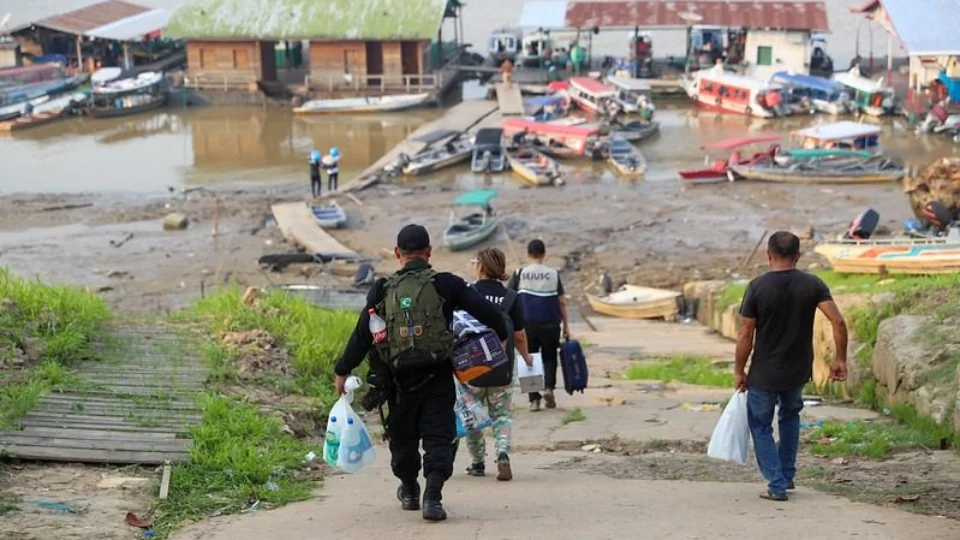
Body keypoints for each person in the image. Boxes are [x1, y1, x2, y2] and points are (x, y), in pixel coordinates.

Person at [334, 224, 508, 522]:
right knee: (438, 436)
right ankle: (433, 497)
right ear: (429, 252)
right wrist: (500, 338)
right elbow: (491, 315)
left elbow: (362, 333)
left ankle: (410, 489)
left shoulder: (382, 289)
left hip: (398, 379)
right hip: (437, 374)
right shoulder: (448, 284)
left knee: (403, 439)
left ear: (397, 253)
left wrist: (342, 370)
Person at [735, 231, 848, 502]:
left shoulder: (757, 286)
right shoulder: (812, 284)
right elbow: (838, 321)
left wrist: (739, 370)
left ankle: (777, 483)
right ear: (798, 256)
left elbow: (745, 334)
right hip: (798, 369)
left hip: (765, 371)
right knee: (790, 418)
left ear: (768, 255)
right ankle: (786, 474)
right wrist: (840, 359)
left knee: (760, 424)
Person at [465, 248, 534, 481]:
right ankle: (502, 454)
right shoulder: (511, 298)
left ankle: (477, 462)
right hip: (502, 367)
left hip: (471, 369)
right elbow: (520, 334)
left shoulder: (468, 293)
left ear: (481, 267)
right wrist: (526, 357)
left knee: (472, 415)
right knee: (502, 414)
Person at [507, 239, 569, 412]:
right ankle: (548, 388)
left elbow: (509, 299)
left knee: (529, 358)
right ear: (544, 254)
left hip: (526, 324)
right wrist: (566, 326)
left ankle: (534, 400)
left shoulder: (519, 273)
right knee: (549, 357)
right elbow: (561, 302)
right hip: (551, 323)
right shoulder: (553, 274)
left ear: (528, 254)